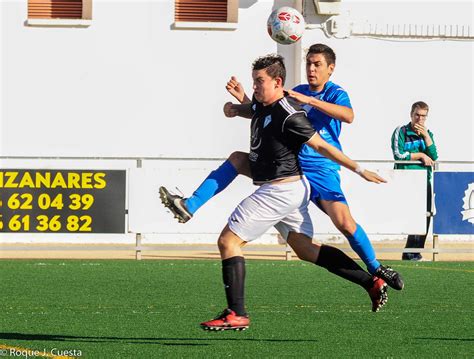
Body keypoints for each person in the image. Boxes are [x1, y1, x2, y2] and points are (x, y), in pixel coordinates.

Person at [163, 54, 390, 330]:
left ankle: (236, 313)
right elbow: (255, 109)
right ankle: (370, 282)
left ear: (278, 82)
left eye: (260, 82)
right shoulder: (261, 102)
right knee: (305, 249)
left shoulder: (289, 114)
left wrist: (358, 169)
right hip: (286, 188)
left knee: (228, 242)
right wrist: (238, 106)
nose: (256, 87)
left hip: (279, 190)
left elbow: (323, 147)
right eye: (254, 82)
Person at [391, 101, 438, 261]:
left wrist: (425, 136)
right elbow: (399, 154)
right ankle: (410, 253)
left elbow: (434, 156)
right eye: (417, 115)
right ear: (411, 115)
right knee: (413, 217)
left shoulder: (428, 134)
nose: (420, 119)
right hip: (407, 180)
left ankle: (413, 253)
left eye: (423, 116)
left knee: (425, 216)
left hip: (425, 181)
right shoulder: (401, 131)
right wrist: (420, 155)